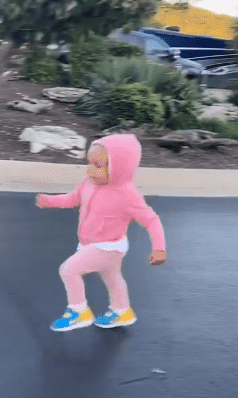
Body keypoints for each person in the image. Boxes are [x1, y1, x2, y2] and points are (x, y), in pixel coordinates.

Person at [35, 133, 167, 332]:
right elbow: (72, 199)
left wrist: (159, 248)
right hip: (93, 243)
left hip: (108, 247)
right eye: (90, 163)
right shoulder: (87, 182)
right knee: (112, 278)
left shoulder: (127, 195)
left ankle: (78, 311)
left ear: (120, 168)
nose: (90, 170)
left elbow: (151, 219)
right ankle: (123, 311)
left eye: (98, 166)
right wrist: (50, 201)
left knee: (69, 270)